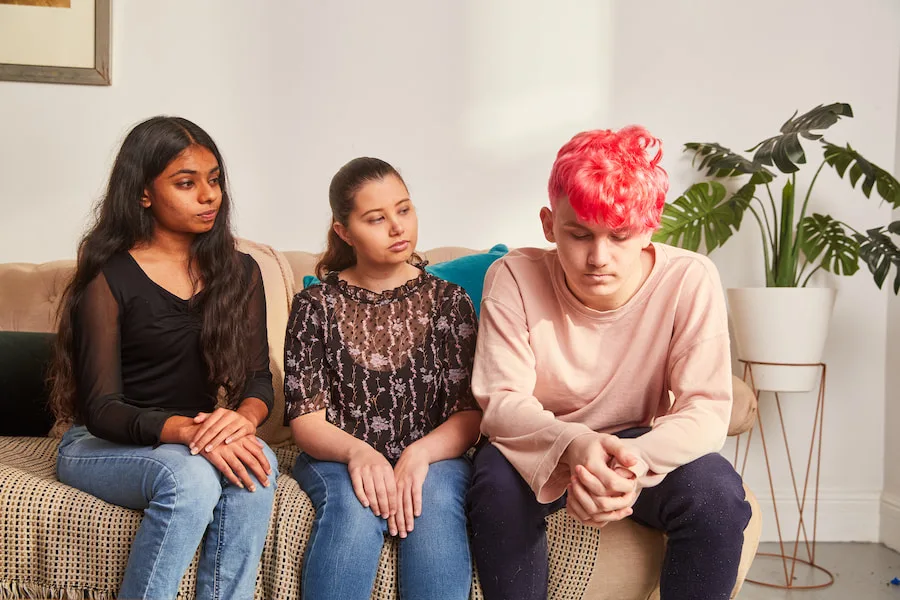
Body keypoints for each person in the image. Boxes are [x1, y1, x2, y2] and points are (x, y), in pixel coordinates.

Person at [466, 126, 752, 600]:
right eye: (578, 234)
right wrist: (575, 447)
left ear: (649, 226)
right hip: (543, 436)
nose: (598, 258)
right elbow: (501, 403)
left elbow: (706, 410)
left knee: (718, 496)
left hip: (638, 441)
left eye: (620, 237)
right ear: (547, 223)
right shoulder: (512, 275)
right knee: (495, 484)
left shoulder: (690, 278)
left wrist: (634, 463)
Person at [50, 116, 278, 600]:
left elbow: (258, 379)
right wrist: (193, 432)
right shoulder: (108, 276)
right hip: (99, 443)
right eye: (186, 183)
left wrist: (239, 423)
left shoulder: (240, 271)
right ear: (143, 193)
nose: (209, 195)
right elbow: (103, 409)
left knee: (258, 462)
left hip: (192, 439)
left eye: (214, 180)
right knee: (191, 477)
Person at [284, 157, 481, 600]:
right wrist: (360, 454)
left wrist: (419, 454)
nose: (397, 227)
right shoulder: (313, 306)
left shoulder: (451, 302)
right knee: (353, 515)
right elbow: (306, 421)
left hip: (436, 456)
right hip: (337, 456)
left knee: (432, 505)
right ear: (344, 230)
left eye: (404, 210)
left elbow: (469, 415)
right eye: (376, 218)